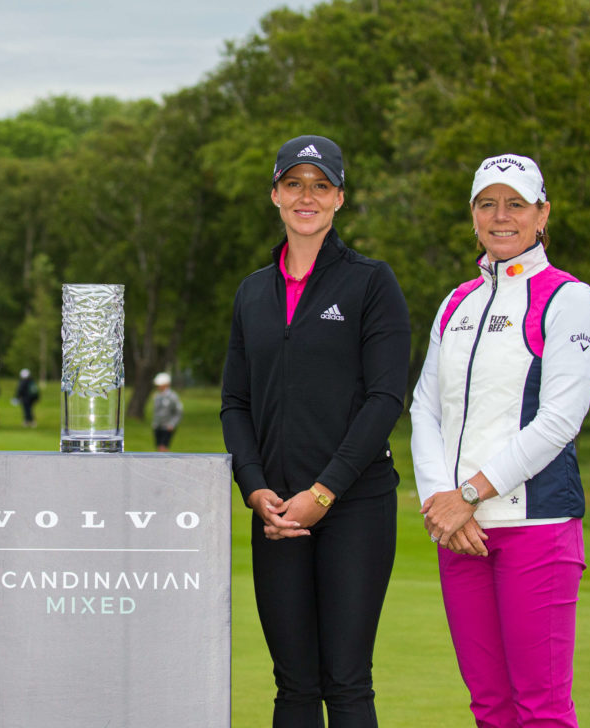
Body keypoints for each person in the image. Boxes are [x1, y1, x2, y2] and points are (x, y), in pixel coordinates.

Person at [220, 135, 410, 727]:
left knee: (347, 682)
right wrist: (255, 490)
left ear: (339, 198)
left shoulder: (371, 283)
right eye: (295, 184)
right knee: (294, 686)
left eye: (320, 185)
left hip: (355, 504)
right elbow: (234, 402)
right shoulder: (253, 291)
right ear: (275, 193)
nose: (307, 196)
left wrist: (323, 493)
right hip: (276, 511)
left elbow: (385, 399)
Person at [410, 154, 590, 727]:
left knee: (541, 708)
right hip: (460, 533)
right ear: (472, 215)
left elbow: (559, 421)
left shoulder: (568, 298)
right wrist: (443, 503)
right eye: (487, 203)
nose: (500, 216)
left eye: (515, 203)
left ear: (542, 214)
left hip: (536, 527)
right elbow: (424, 407)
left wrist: (465, 494)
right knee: (489, 704)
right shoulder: (457, 302)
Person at [150, 371, 183, 451]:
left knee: (163, 448)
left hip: (167, 426)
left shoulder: (172, 397)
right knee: (159, 448)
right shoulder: (157, 396)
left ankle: (166, 462)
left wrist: (172, 424)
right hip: (157, 425)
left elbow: (178, 412)